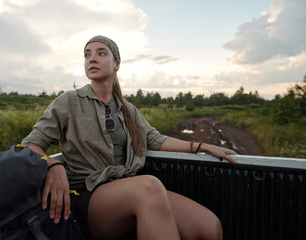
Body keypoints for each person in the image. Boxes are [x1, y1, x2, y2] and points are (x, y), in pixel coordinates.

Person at [21, 35, 237, 240]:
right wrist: (52, 165)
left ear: (117, 64)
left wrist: (199, 147)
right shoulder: (68, 101)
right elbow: (31, 145)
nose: (92, 58)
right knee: (148, 187)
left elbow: (154, 139)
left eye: (101, 53)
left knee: (208, 227)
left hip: (128, 188)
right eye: (87, 55)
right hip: (87, 195)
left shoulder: (127, 109)